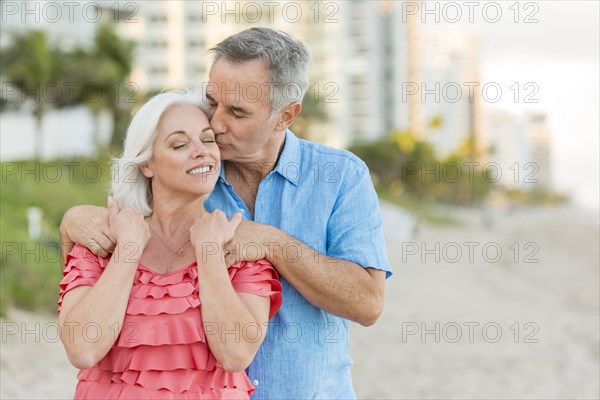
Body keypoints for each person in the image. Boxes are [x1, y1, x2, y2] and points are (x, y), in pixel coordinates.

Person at [60, 28, 392, 399]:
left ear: (285, 116)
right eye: (212, 102)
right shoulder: (190, 178)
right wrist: (70, 222)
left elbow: (367, 303)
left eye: (236, 112)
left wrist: (273, 243)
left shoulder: (341, 176)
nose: (216, 124)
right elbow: (104, 275)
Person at [58, 91, 282, 399]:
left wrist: (209, 254)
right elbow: (82, 348)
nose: (201, 152)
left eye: (208, 140)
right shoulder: (101, 239)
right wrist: (128, 251)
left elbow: (236, 354)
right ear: (146, 164)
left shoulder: (238, 244)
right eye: (180, 144)